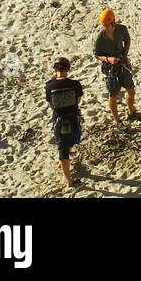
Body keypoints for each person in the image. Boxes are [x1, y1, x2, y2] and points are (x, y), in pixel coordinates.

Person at [93, 8, 141, 125]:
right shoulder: (100, 38)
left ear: (113, 23)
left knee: (131, 90)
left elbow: (127, 41)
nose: (105, 28)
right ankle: (118, 121)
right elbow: (96, 55)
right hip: (109, 69)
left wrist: (125, 55)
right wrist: (108, 59)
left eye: (107, 25)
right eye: (103, 25)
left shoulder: (122, 29)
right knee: (113, 94)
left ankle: (131, 112)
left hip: (122, 64)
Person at [45, 57, 83, 188]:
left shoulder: (49, 86)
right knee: (71, 140)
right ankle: (68, 177)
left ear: (55, 70)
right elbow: (78, 101)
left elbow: (50, 104)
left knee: (62, 146)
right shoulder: (75, 84)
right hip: (72, 119)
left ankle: (69, 180)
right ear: (67, 69)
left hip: (59, 120)